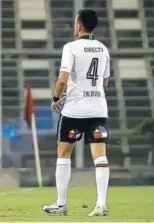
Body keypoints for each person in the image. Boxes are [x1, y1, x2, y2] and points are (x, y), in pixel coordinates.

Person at [43, 9, 110, 216]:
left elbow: (62, 79)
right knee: (100, 157)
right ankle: (101, 204)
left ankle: (61, 204)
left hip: (73, 111)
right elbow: (104, 82)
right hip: (98, 108)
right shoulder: (103, 49)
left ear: (79, 25)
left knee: (63, 153)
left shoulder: (71, 47)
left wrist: (56, 98)